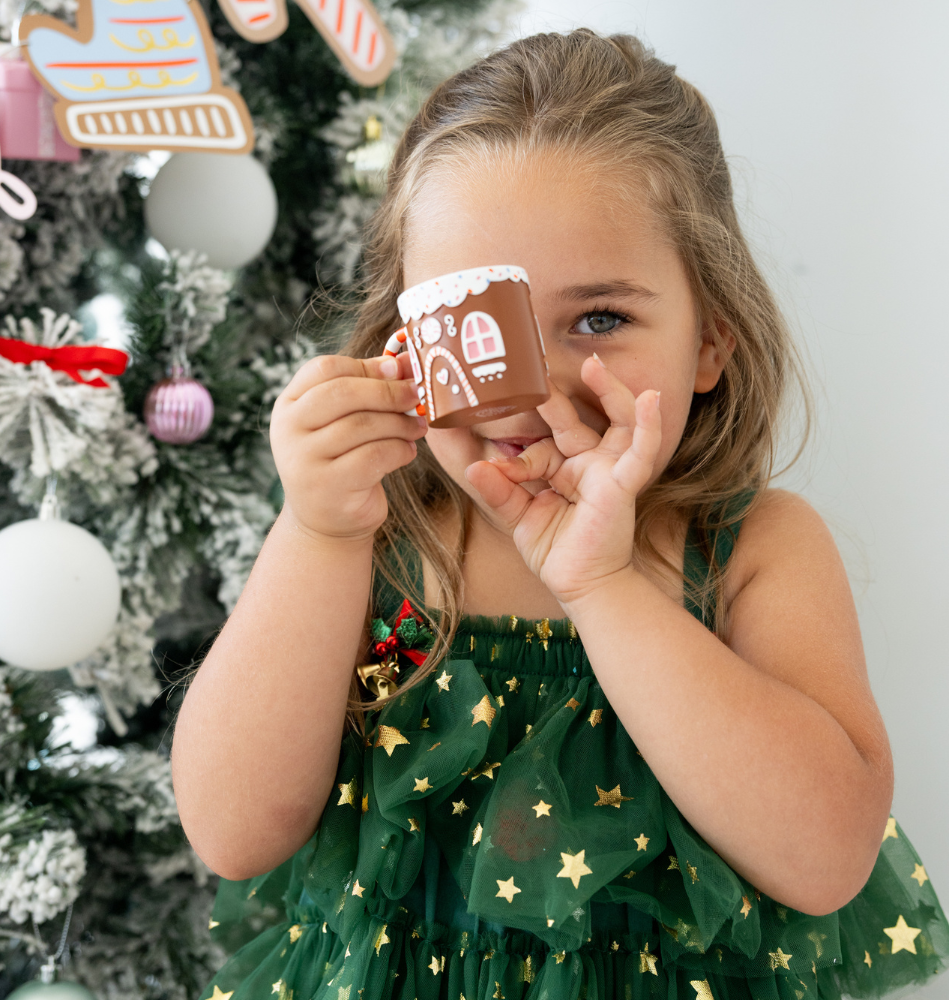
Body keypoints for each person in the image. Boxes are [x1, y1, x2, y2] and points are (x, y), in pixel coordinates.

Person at [171, 29, 949, 1000]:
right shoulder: (373, 540)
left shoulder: (752, 547)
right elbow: (234, 831)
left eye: (598, 321)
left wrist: (600, 583)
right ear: (402, 341)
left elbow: (826, 856)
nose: (528, 391)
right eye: (474, 327)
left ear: (709, 341)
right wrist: (317, 532)